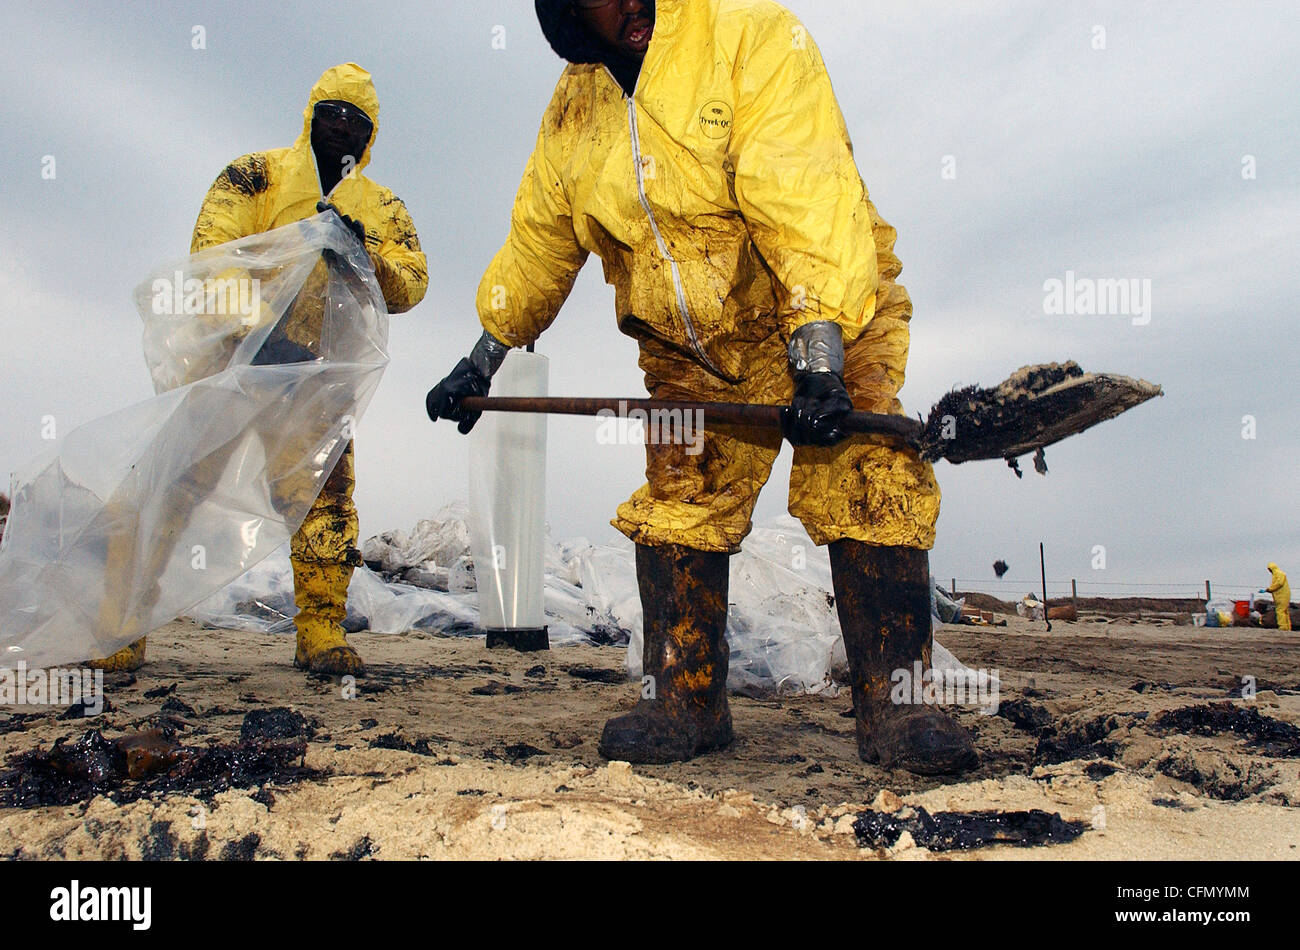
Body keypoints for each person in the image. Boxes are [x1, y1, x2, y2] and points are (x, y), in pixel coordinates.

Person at [427, 0, 974, 774]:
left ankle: (899, 707)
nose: (627, 4)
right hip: (691, 348)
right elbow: (540, 242)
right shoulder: (575, 111)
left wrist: (819, 353)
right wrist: (481, 359)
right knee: (681, 500)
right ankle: (686, 701)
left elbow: (805, 196)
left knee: (867, 478)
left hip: (826, 304)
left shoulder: (747, 34)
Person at [93, 63, 428, 676]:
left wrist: (365, 255)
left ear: (371, 135)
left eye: (358, 120)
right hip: (232, 370)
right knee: (171, 490)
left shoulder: (380, 208)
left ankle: (321, 634)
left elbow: (412, 285)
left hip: (315, 383)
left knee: (324, 503)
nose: (343, 128)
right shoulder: (255, 176)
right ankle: (122, 629)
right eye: (332, 113)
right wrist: (254, 327)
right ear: (311, 116)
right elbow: (213, 250)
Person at [1266, 562, 1290, 631]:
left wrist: (1270, 589)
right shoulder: (1276, 574)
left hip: (1282, 596)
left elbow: (1279, 583)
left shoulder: (1279, 574)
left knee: (1280, 611)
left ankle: (1283, 627)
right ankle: (1287, 626)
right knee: (1284, 611)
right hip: (1281, 595)